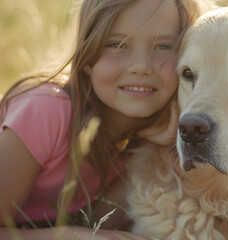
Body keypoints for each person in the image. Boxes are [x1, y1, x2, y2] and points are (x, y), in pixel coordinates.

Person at [0, 0, 214, 239]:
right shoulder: (46, 110)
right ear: (87, 56)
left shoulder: (160, 135)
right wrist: (69, 236)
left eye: (162, 46)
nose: (141, 66)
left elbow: (96, 225)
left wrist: (157, 151)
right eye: (117, 44)